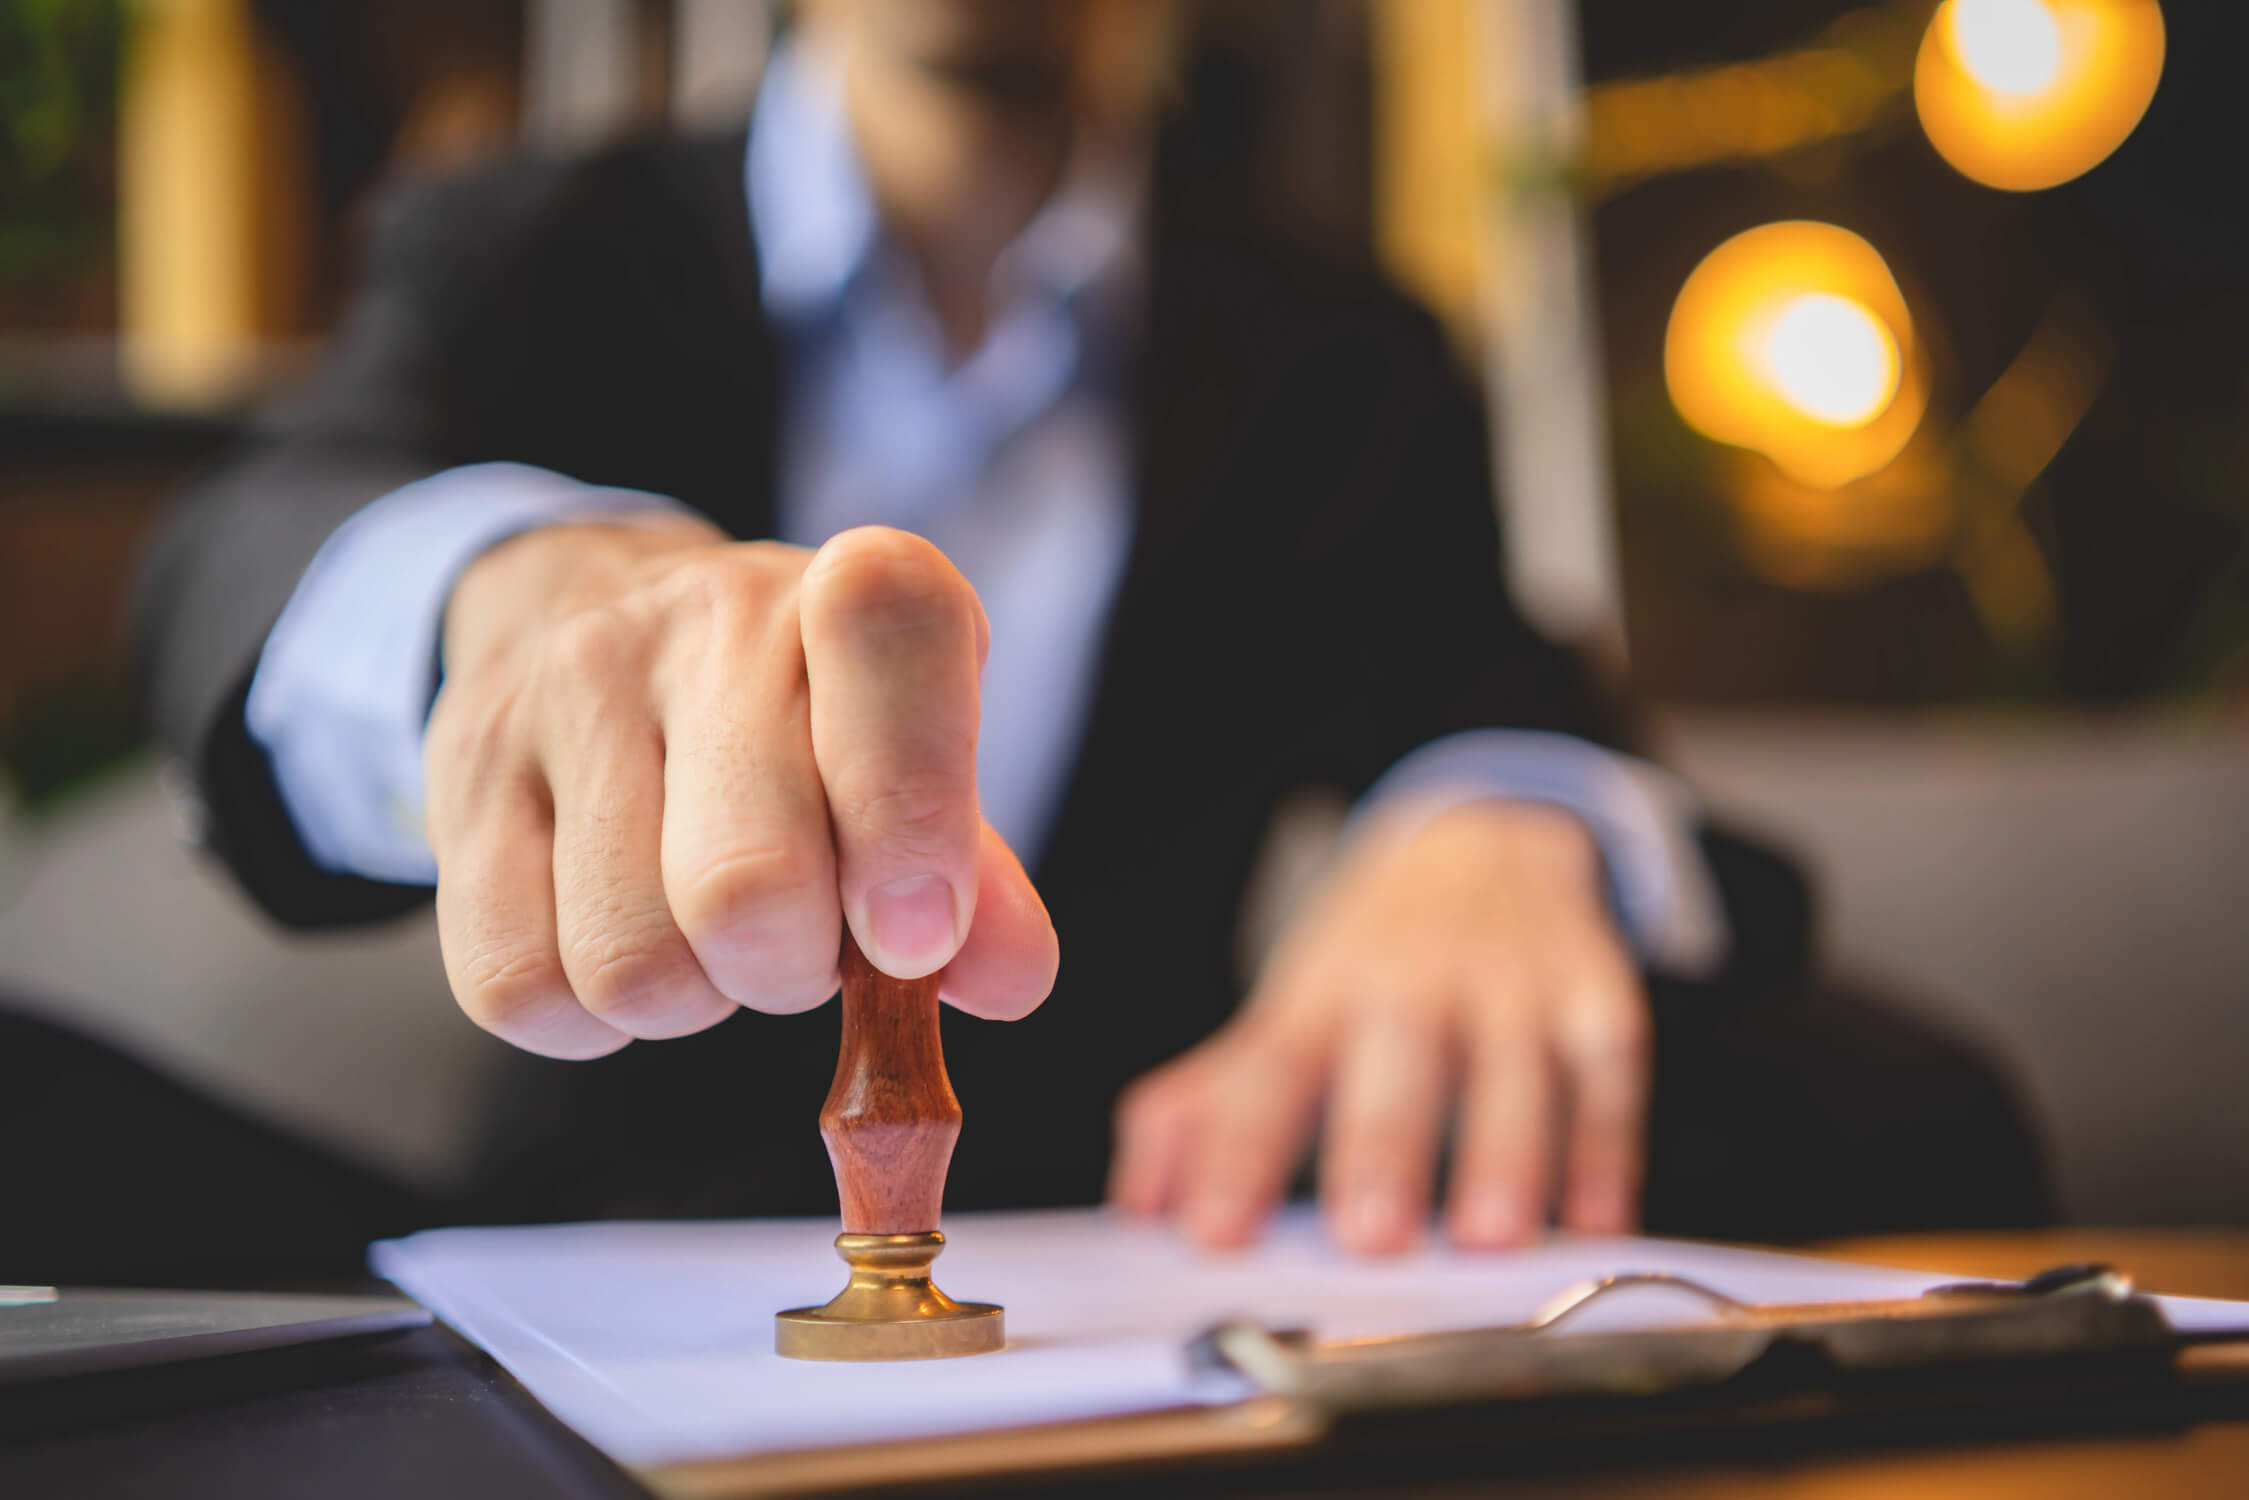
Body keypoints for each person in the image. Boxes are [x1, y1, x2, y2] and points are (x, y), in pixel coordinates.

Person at [130, 0, 2049, 1266]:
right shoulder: (522, 248)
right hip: (601, 1270)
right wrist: (502, 592)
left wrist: (1498, 820)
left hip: (1143, 1256)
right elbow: (250, 544)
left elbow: (1507, 692)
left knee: (1909, 1106)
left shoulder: (1341, 349)